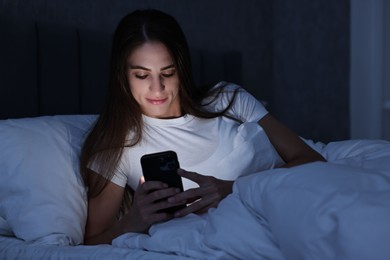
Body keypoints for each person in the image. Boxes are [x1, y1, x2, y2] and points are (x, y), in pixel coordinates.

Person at [79, 9, 325, 245]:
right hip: (233, 238)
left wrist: (233, 189)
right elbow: (91, 242)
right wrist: (133, 221)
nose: (157, 88)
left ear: (182, 70)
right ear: (122, 76)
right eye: (142, 76)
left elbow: (311, 160)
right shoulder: (116, 144)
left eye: (168, 72)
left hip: (293, 209)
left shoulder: (228, 99)